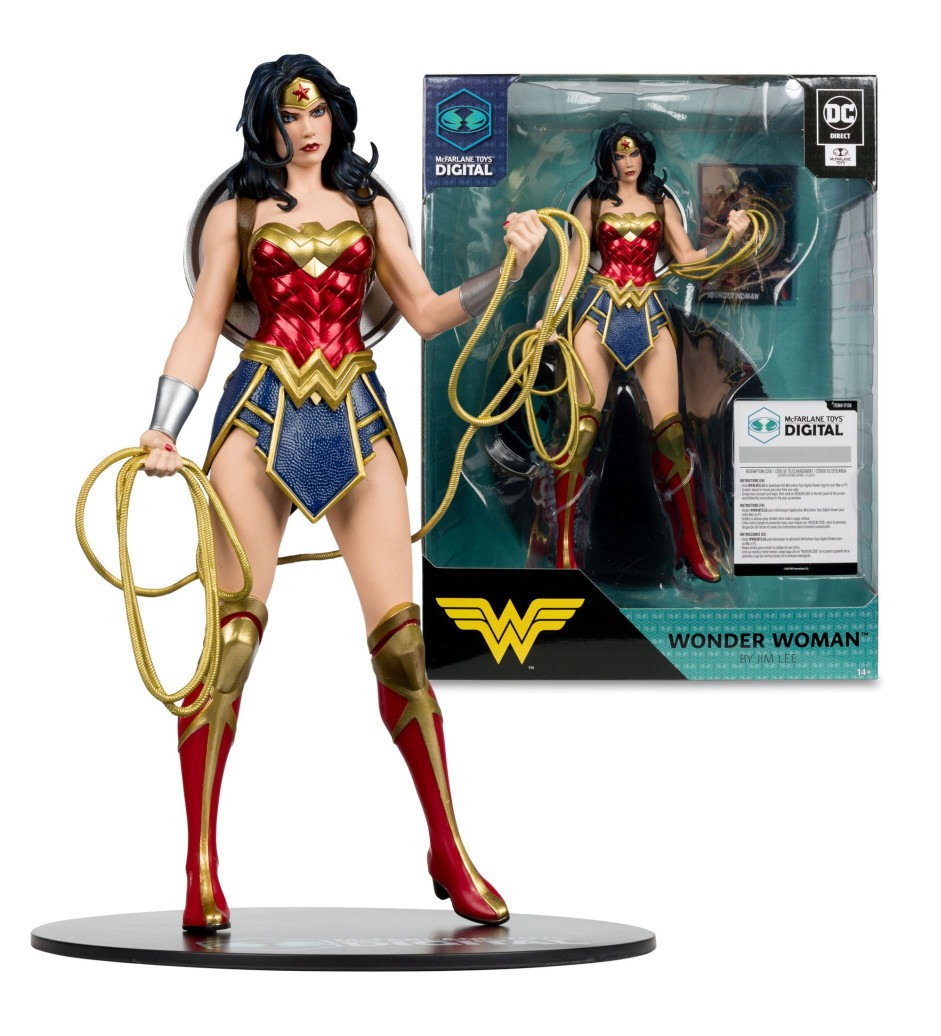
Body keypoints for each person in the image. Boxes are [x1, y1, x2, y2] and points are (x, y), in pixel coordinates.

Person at [140, 54, 545, 932]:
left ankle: (448, 849)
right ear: (268, 123)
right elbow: (203, 322)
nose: (305, 127)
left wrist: (509, 269)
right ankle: (200, 862)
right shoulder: (237, 211)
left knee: (404, 650)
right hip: (258, 416)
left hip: (355, 416)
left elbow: (426, 312)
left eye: (316, 109)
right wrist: (163, 426)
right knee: (229, 649)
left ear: (336, 114)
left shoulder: (370, 206)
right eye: (290, 114)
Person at [548, 123, 749, 580]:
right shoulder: (591, 203)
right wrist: (549, 319)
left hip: (650, 312)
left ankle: (693, 545)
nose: (628, 162)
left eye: (634, 153)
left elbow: (690, 262)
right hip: (599, 311)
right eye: (620, 155)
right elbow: (573, 267)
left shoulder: (661, 203)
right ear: (608, 159)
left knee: (672, 435)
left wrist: (731, 239)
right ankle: (563, 551)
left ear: (645, 156)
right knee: (581, 433)